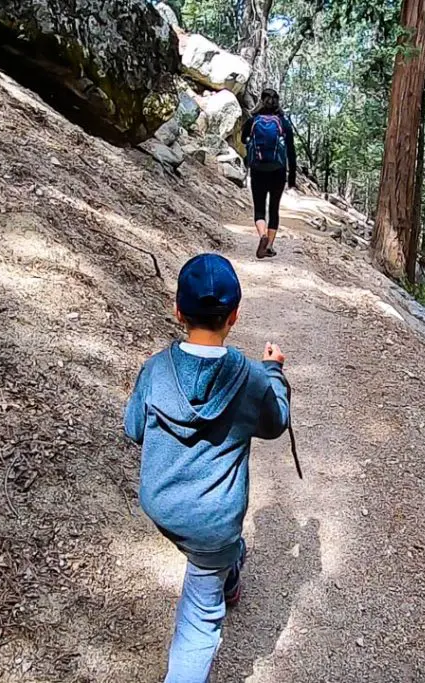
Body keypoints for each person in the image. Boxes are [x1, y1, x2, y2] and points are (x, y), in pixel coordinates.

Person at [123, 253, 291, 682]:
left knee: (217, 553)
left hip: (162, 505)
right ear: (234, 316)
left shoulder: (156, 369)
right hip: (212, 523)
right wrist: (274, 373)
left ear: (178, 312)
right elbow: (275, 424)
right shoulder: (251, 378)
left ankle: (228, 576)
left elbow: (134, 428)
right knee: (198, 619)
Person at [241, 88, 297, 259]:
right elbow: (291, 151)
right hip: (278, 171)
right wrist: (292, 177)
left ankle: (262, 236)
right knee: (274, 208)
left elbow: (243, 139)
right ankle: (269, 246)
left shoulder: (253, 121)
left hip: (258, 169)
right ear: (277, 103)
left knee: (259, 208)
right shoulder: (283, 123)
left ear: (261, 101)